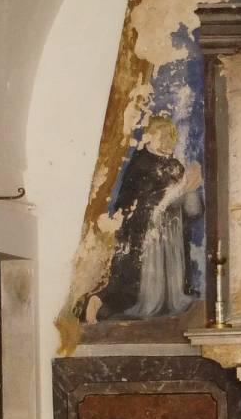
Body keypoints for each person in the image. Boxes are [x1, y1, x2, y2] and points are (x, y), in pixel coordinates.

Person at [81, 114, 202, 323]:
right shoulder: (141, 164)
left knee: (168, 283)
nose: (165, 143)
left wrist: (190, 190)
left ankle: (166, 302)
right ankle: (97, 305)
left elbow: (191, 209)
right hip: (142, 234)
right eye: (160, 137)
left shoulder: (173, 164)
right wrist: (180, 190)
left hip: (169, 233)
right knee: (130, 288)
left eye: (168, 138)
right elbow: (140, 201)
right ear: (150, 136)